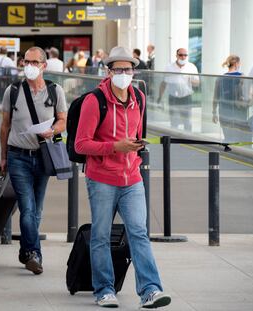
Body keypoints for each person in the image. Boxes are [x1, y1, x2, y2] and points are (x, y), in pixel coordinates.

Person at [75, 46, 171, 309]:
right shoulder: (95, 101)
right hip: (102, 178)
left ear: (134, 71)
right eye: (118, 69)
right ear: (108, 72)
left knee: (139, 233)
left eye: (127, 69)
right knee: (101, 236)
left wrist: (134, 148)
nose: (123, 73)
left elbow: (137, 133)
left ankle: (150, 290)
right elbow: (81, 145)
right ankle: (104, 290)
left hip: (132, 177)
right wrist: (114, 147)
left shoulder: (139, 97)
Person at [0, 46, 67, 275]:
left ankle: (26, 251)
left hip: (43, 155)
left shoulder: (55, 90)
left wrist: (53, 131)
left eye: (34, 62)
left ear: (44, 66)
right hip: (18, 155)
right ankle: (34, 253)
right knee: (27, 208)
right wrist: (3, 156)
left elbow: (62, 121)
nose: (28, 66)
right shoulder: (13, 90)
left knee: (37, 210)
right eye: (25, 62)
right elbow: (5, 125)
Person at [157, 48, 199, 131]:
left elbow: (197, 83)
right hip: (173, 98)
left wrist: (190, 79)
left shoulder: (191, 67)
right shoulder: (169, 67)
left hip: (186, 97)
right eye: (180, 55)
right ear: (176, 56)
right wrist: (160, 97)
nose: (183, 57)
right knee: (174, 121)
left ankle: (187, 139)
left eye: (185, 55)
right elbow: (164, 83)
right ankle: (174, 141)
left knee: (187, 121)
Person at [213, 55, 250, 142]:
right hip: (239, 111)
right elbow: (248, 94)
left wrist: (214, 112)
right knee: (239, 137)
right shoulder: (242, 77)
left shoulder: (220, 78)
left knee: (228, 138)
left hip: (223, 111)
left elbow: (215, 97)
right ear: (237, 64)